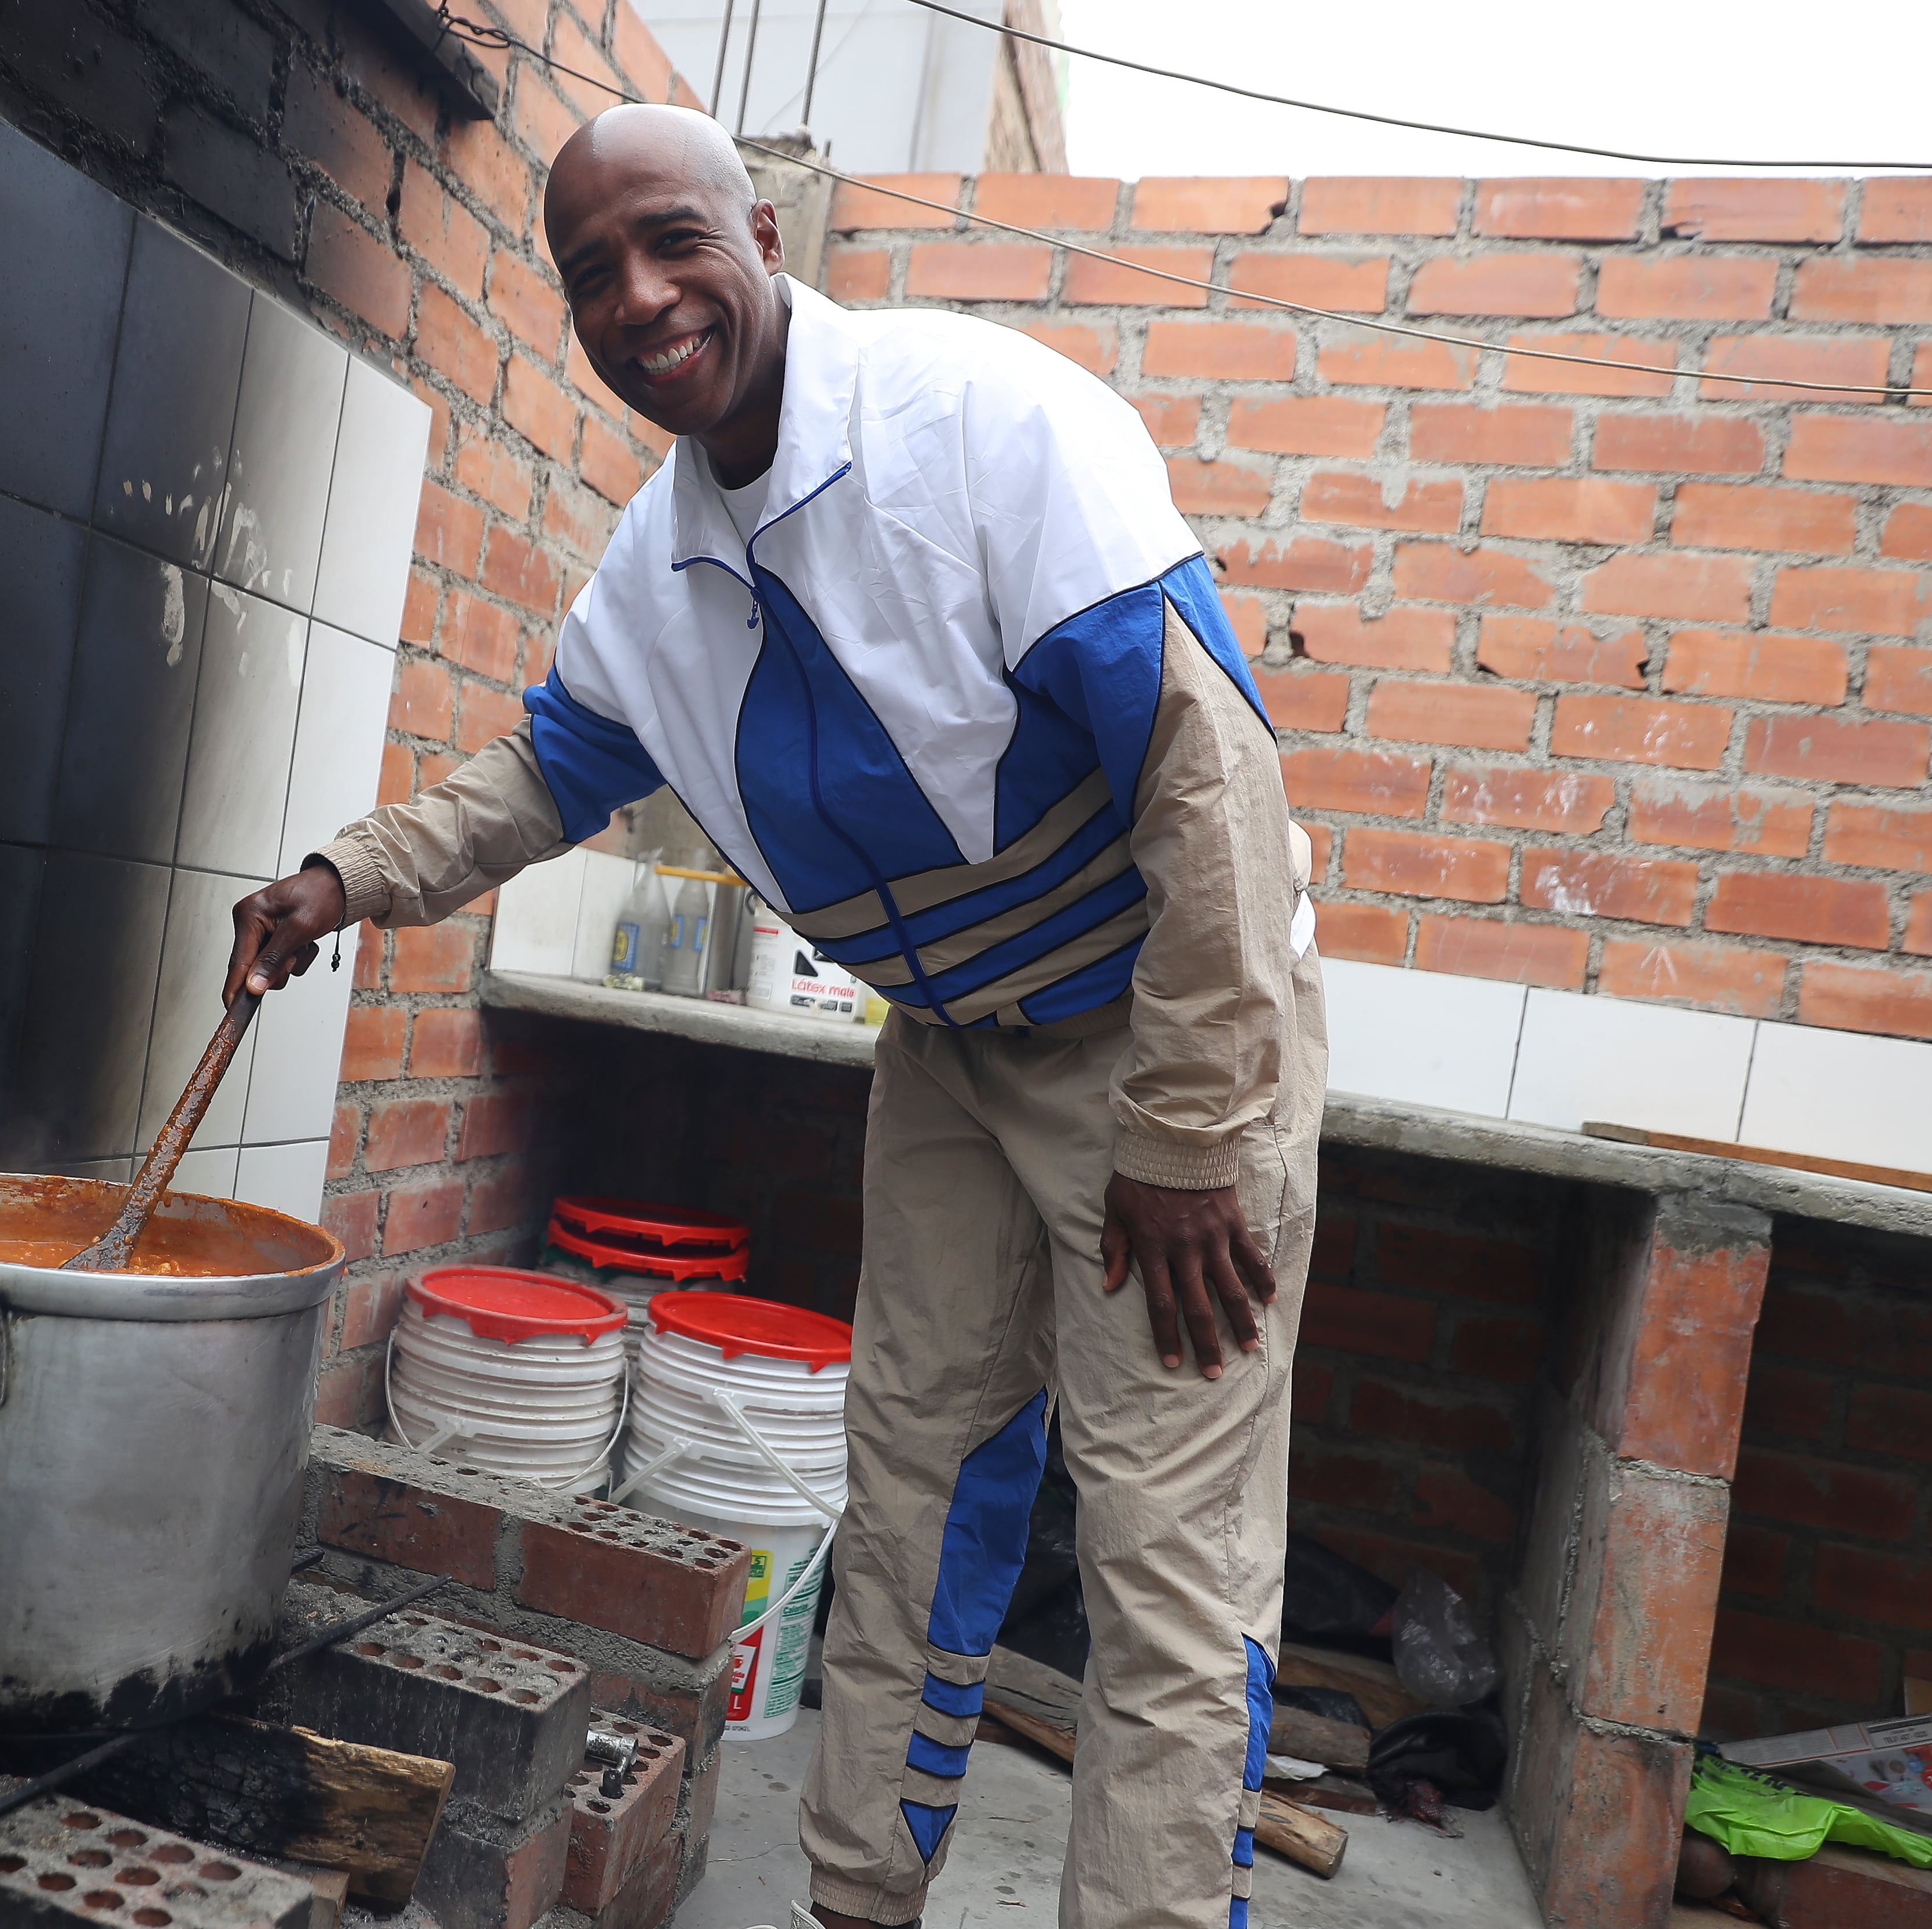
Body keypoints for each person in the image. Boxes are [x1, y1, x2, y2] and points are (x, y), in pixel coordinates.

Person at [227, 104, 1324, 1929]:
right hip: (957, 1051)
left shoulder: (982, 424)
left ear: (766, 234)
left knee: (1167, 1559)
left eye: (674, 242)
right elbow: (532, 780)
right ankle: (856, 1904)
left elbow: (1211, 777)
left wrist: (1200, 1136)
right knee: (905, 1490)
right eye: (592, 276)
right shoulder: (654, 578)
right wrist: (340, 879)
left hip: (1166, 1029)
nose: (641, 297)